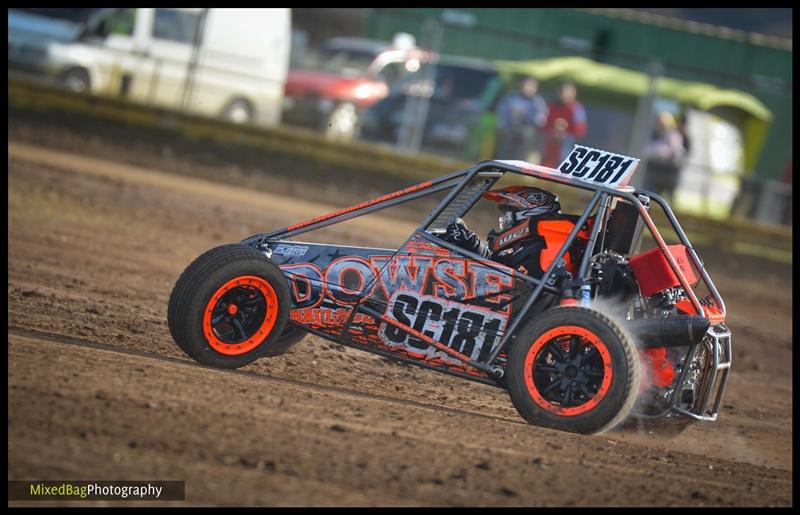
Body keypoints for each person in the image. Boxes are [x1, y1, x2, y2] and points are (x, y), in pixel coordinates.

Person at [439, 186, 564, 277]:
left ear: (525, 218)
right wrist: (472, 243)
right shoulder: (524, 249)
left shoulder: (540, 252)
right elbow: (499, 263)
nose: (504, 222)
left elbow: (509, 284)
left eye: (508, 217)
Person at [494, 77, 548, 161]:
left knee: (521, 158)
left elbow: (540, 120)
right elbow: (502, 113)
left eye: (531, 86)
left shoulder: (537, 101)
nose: (528, 88)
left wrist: (525, 117)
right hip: (509, 132)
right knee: (503, 158)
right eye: (526, 85)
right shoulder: (512, 97)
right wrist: (504, 128)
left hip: (526, 136)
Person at [642, 111, 687, 202]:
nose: (660, 124)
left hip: (667, 176)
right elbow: (648, 150)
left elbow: (677, 154)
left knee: (665, 201)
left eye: (662, 122)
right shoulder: (654, 134)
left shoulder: (673, 136)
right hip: (653, 174)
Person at [540, 82, 588, 168]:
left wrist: (564, 131)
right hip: (550, 144)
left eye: (567, 92)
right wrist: (553, 130)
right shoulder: (551, 106)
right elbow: (543, 124)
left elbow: (580, 129)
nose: (563, 94)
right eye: (562, 91)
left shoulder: (576, 109)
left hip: (566, 145)